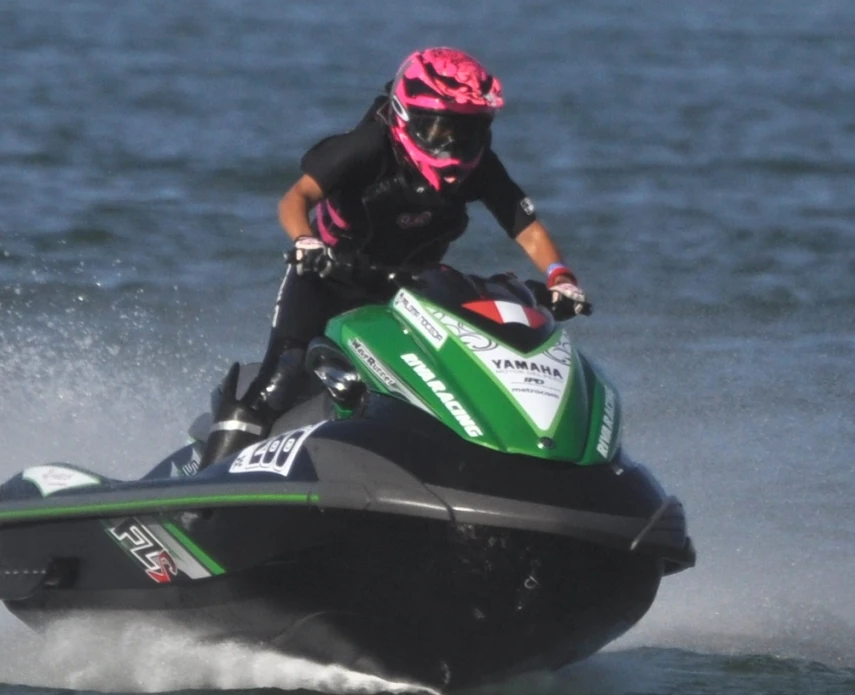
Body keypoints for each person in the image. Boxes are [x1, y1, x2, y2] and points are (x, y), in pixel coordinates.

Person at [206, 47, 588, 461]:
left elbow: (525, 228)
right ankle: (204, 497)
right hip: (327, 276)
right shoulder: (368, 146)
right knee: (283, 375)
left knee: (448, 378)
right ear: (406, 117)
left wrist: (560, 278)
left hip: (406, 291)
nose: (453, 149)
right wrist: (306, 243)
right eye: (440, 132)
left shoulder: (479, 166)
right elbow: (296, 198)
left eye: (469, 133)